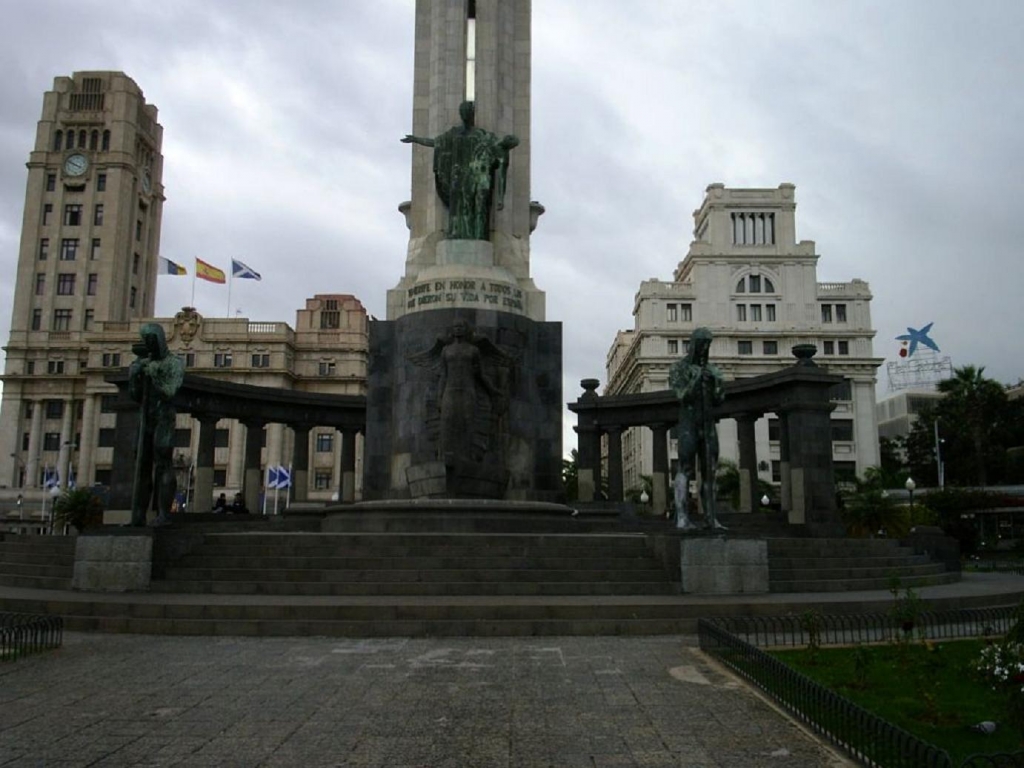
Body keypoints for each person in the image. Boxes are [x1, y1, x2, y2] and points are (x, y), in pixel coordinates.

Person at [402, 101, 519, 241]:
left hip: (478, 179)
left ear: (472, 114)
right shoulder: (454, 134)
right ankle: (456, 232)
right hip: (459, 177)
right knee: (457, 206)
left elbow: (502, 174)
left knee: (478, 207)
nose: (465, 115)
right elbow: (436, 143)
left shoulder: (485, 137)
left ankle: (478, 235)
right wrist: (417, 139)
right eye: (463, 112)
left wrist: (500, 198)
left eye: (468, 112)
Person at [669, 327, 726, 530]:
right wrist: (695, 379)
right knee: (685, 468)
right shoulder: (679, 368)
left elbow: (719, 400)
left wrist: (718, 384)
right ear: (693, 345)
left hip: (708, 424)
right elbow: (681, 396)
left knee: (710, 472)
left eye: (707, 345)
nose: (704, 349)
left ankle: (711, 518)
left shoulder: (712, 370)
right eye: (701, 344)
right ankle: (682, 517)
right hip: (688, 423)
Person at [127, 323, 184, 527]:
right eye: (146, 340)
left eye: (152, 340)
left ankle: (163, 514)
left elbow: (170, 392)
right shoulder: (142, 363)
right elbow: (134, 396)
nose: (148, 344)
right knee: (141, 465)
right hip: (145, 419)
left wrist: (155, 375)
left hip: (163, 418)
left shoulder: (174, 362)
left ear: (159, 340)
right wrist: (134, 376)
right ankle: (138, 516)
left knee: (163, 463)